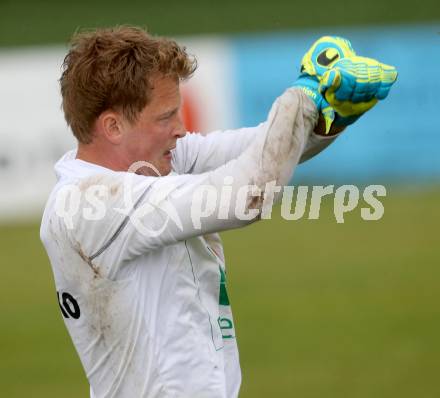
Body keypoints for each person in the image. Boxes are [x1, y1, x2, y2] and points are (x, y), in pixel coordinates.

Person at [40, 27, 396, 398]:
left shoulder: (155, 162)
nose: (180, 130)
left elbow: (261, 149)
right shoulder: (86, 204)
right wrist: (304, 93)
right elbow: (247, 194)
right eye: (165, 118)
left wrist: (330, 112)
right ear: (113, 126)